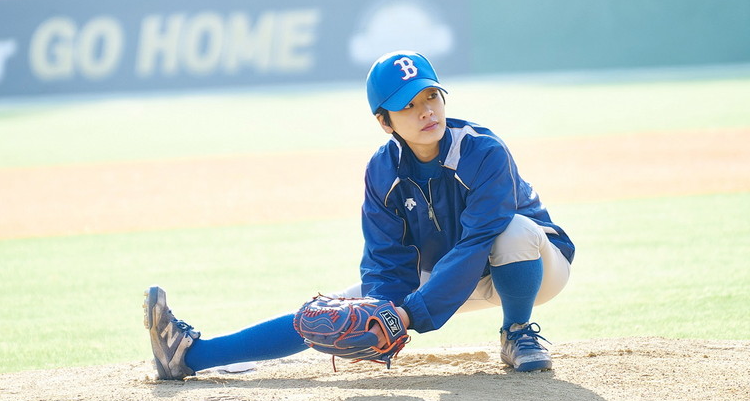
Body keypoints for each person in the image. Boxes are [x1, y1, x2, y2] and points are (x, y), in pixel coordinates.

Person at [144, 50, 575, 379]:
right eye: (408, 105)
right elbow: (386, 260)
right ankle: (189, 356)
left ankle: (517, 332)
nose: (426, 110)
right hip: (448, 273)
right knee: (335, 313)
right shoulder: (382, 171)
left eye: (431, 96)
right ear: (384, 121)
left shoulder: (483, 152)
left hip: (533, 267)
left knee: (512, 232)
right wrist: (383, 312)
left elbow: (478, 242)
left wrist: (409, 315)